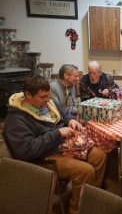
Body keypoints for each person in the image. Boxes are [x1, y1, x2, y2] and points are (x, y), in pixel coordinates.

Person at [4, 76, 107, 214]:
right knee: (85, 171)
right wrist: (58, 133)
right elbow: (26, 151)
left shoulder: (49, 102)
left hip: (62, 145)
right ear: (28, 94)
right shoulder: (16, 119)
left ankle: (90, 198)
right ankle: (77, 210)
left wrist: (71, 120)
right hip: (43, 158)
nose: (47, 100)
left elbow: (65, 114)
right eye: (42, 97)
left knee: (99, 155)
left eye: (48, 96)